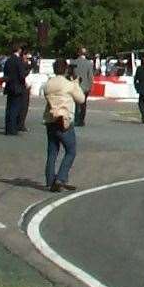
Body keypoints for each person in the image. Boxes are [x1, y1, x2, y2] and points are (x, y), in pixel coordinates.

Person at [43, 58, 86, 192]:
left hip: (51, 118)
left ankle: (50, 180)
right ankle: (61, 178)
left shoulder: (47, 85)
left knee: (52, 152)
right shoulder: (69, 84)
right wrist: (76, 83)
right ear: (66, 69)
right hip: (64, 119)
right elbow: (81, 99)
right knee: (71, 151)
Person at [2, 45, 28, 135]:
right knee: (15, 108)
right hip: (17, 87)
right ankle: (13, 129)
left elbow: (5, 73)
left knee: (8, 108)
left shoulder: (8, 60)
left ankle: (7, 128)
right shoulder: (18, 61)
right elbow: (22, 75)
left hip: (9, 86)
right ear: (19, 50)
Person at [70, 47, 94, 127]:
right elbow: (90, 76)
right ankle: (81, 120)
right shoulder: (89, 63)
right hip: (85, 87)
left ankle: (76, 119)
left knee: (75, 103)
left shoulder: (73, 62)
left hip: (75, 85)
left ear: (78, 53)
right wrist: (90, 86)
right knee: (83, 104)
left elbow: (70, 74)